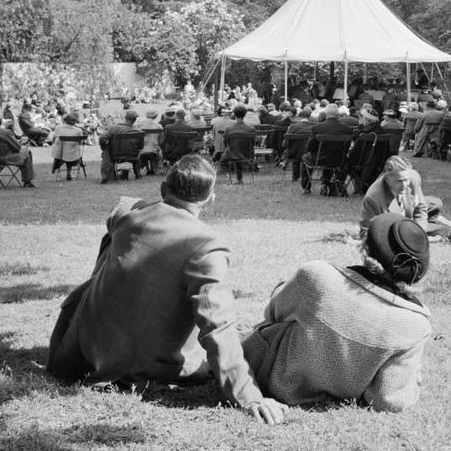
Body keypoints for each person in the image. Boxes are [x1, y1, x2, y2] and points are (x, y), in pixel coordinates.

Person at [46, 156, 287, 424]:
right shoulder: (205, 246)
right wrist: (248, 396)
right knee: (247, 336)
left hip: (78, 352)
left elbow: (120, 208)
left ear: (162, 189)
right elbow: (217, 327)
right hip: (144, 367)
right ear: (211, 200)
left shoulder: (125, 214)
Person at [242, 212, 431, 413]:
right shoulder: (416, 325)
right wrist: (414, 380)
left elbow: (273, 313)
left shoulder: (318, 277)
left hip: (269, 376)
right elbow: (387, 399)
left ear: (367, 245)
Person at [359, 156, 444, 238]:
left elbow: (421, 208)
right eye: (399, 181)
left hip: (407, 215)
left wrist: (419, 230)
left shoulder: (413, 178)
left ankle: (423, 224)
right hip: (392, 228)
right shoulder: (373, 198)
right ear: (387, 178)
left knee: (436, 204)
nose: (404, 185)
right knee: (446, 231)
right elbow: (365, 232)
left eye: (406, 180)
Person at [299, 103, 354, 195]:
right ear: (338, 114)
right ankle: (329, 183)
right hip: (339, 160)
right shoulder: (347, 129)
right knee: (330, 157)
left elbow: (310, 147)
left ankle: (307, 187)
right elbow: (347, 147)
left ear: (326, 114)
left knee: (305, 158)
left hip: (319, 159)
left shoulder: (318, 128)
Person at [0, 111, 37, 187]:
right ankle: (27, 181)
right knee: (27, 152)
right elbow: (17, 147)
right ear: (0, 121)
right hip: (5, 157)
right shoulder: (5, 132)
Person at [99, 109, 143, 184]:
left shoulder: (114, 128)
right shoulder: (138, 131)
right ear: (135, 120)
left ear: (125, 118)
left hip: (115, 155)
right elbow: (141, 146)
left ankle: (108, 174)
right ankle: (136, 173)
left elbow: (102, 138)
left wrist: (104, 148)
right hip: (133, 155)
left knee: (106, 151)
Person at [221, 104, 257, 183]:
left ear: (234, 114)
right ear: (245, 114)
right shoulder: (251, 129)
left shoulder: (229, 129)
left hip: (232, 154)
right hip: (248, 154)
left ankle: (236, 178)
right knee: (237, 150)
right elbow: (253, 143)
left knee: (230, 153)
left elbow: (226, 143)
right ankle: (239, 179)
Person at [50, 112, 87, 180]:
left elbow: (53, 139)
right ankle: (69, 171)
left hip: (59, 154)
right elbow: (79, 143)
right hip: (73, 154)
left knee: (60, 148)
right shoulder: (78, 130)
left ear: (65, 120)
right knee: (72, 150)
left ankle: (57, 162)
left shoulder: (58, 128)